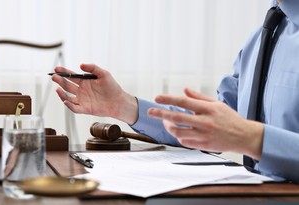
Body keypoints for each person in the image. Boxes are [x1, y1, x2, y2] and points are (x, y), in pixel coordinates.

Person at [51, 0, 299, 183]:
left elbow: (240, 131)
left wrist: (251, 138)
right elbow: (217, 121)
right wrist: (124, 105)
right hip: (259, 204)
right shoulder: (261, 36)